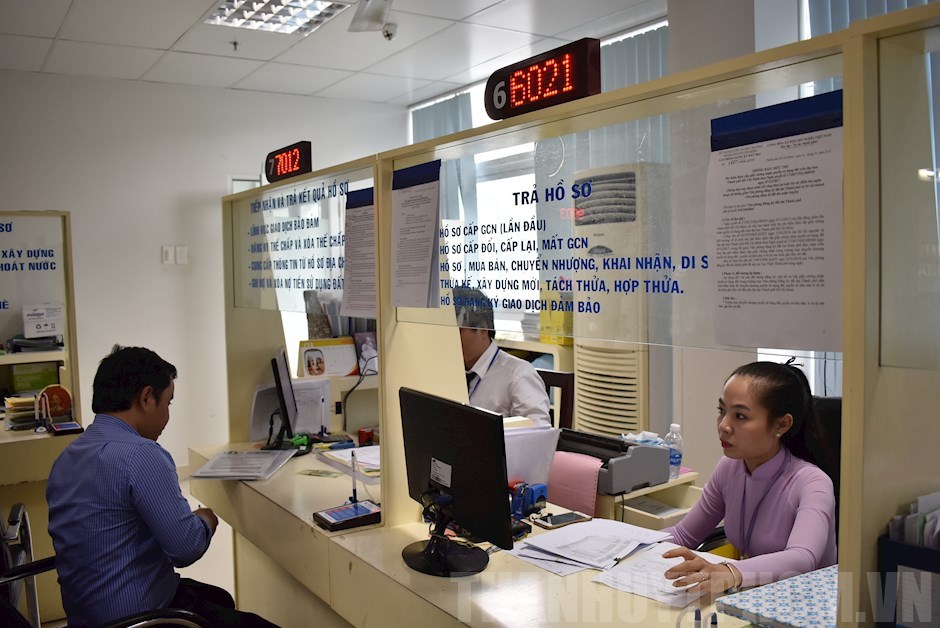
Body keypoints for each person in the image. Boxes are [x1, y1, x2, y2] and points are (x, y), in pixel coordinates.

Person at [46, 345, 278, 627]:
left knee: (219, 598)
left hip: (87, 618)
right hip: (141, 619)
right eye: (168, 403)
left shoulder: (66, 459)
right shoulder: (141, 455)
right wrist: (206, 520)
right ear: (146, 398)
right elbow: (186, 548)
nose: (167, 417)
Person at [661, 360, 837, 594]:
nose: (724, 425)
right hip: (753, 594)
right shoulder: (729, 467)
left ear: (782, 424)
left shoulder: (813, 483)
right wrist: (630, 544)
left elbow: (802, 558)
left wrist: (732, 572)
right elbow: (684, 534)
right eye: (722, 411)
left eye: (740, 416)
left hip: (805, 600)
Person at [452, 285, 551, 425]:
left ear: (483, 329)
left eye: (457, 331)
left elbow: (538, 431)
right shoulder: (451, 371)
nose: (450, 340)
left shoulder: (519, 375)